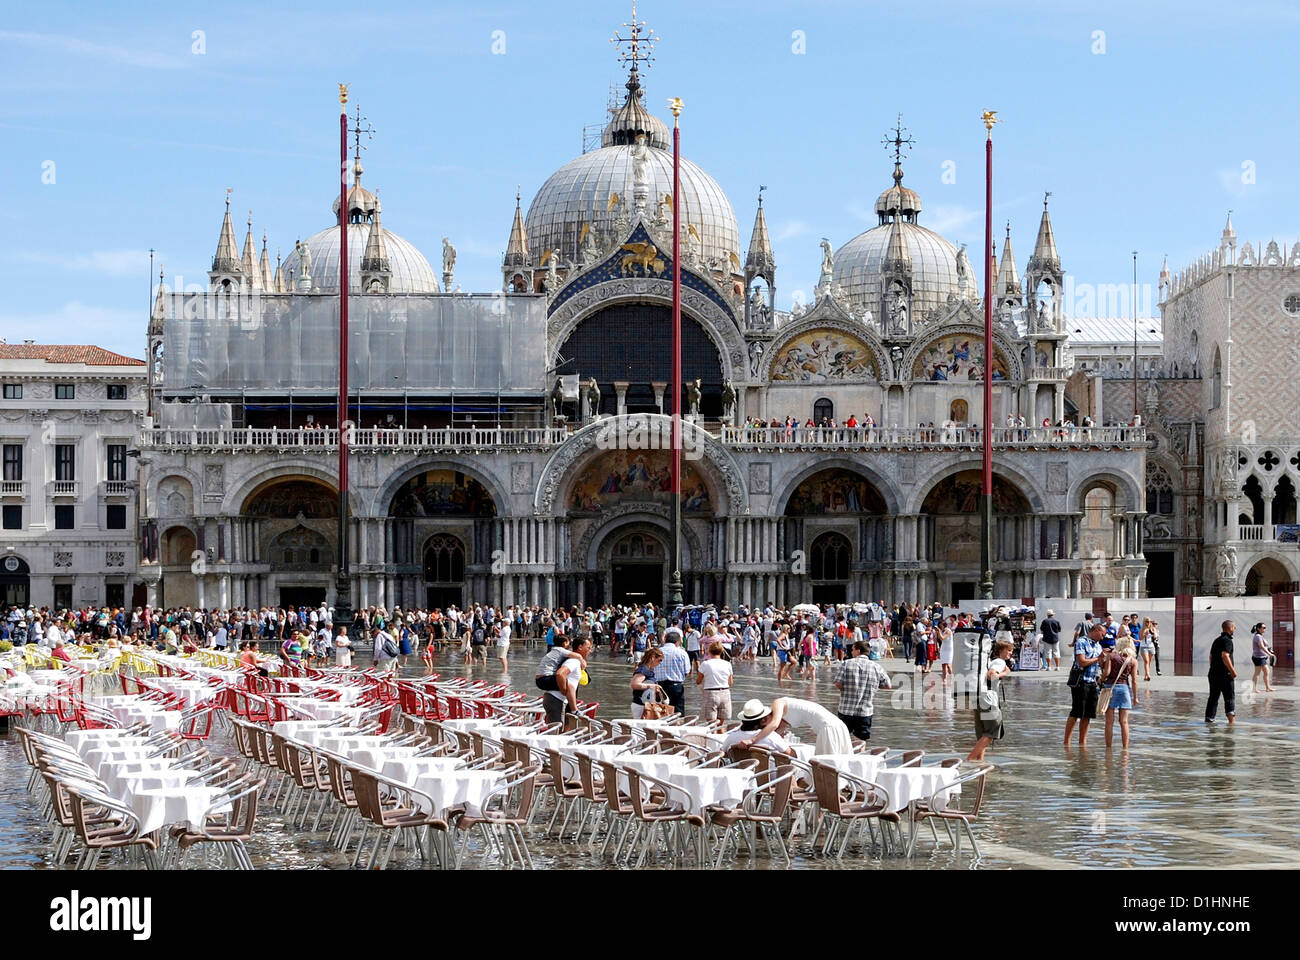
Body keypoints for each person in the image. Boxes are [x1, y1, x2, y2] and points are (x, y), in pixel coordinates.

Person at [737, 695, 852, 754]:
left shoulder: (777, 703)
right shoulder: (783, 718)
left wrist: (752, 740)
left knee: (827, 767)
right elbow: (776, 733)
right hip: (835, 725)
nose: (765, 726)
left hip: (828, 727)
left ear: (764, 718)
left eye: (763, 725)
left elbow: (774, 724)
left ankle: (832, 796)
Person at [833, 640, 893, 742]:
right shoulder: (877, 667)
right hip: (865, 711)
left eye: (852, 650)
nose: (851, 652)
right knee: (860, 740)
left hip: (846, 709)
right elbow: (888, 685)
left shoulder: (846, 664)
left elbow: (838, 683)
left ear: (858, 651)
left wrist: (845, 690)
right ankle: (858, 756)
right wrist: (873, 687)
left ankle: (844, 757)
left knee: (841, 740)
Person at [968, 638, 1013, 761]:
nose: (1010, 653)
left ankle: (979, 762)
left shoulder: (989, 661)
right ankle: (968, 761)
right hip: (988, 700)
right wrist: (1005, 673)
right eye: (1008, 650)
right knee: (991, 732)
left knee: (983, 734)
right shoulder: (1000, 662)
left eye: (1011, 651)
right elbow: (991, 675)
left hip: (978, 698)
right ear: (1000, 651)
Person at [1064, 622, 1106, 747]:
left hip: (1092, 682)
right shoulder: (1081, 642)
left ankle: (1083, 742)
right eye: (1102, 635)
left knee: (1088, 714)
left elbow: (1099, 664)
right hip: (1081, 681)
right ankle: (1067, 741)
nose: (1102, 638)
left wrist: (1104, 660)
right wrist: (1098, 659)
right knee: (1076, 712)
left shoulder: (1098, 645)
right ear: (1096, 630)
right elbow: (1081, 661)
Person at [1101, 634, 1139, 749]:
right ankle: (1125, 749)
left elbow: (1107, 673)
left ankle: (1108, 748)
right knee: (1124, 722)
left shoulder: (1111, 656)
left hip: (1110, 688)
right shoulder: (1133, 660)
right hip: (1124, 689)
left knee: (1109, 722)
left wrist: (1099, 680)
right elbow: (1134, 681)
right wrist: (1135, 697)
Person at [546, 635, 592, 726]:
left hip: (562, 700)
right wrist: (564, 691)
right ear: (580, 647)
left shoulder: (575, 660)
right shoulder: (573, 661)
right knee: (556, 733)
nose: (590, 651)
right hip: (557, 699)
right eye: (588, 648)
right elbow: (560, 674)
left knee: (563, 729)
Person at [720, 700, 795, 755]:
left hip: (741, 774)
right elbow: (791, 754)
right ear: (763, 720)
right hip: (769, 775)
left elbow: (722, 753)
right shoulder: (771, 736)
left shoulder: (732, 737)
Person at [1206, 620, 1238, 724]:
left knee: (1213, 698)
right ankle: (1231, 724)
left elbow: (1210, 656)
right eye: (1234, 627)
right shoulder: (1228, 640)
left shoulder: (1216, 640)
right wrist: (1232, 671)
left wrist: (1214, 668)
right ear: (1230, 628)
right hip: (1225, 675)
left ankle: (1209, 720)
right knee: (1229, 698)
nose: (1235, 629)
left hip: (1213, 674)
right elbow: (1225, 655)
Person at [654, 627, 691, 716]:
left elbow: (651, 669)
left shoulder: (656, 652)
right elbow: (687, 671)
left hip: (659, 687)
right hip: (676, 686)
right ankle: (676, 728)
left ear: (665, 640)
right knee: (678, 713)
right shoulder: (682, 653)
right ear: (677, 642)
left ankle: (662, 729)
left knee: (661, 713)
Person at [694, 640, 734, 722]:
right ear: (721, 651)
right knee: (720, 726)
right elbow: (730, 683)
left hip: (710, 693)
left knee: (712, 726)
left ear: (709, 651)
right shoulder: (727, 664)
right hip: (725, 692)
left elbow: (698, 681)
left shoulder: (705, 664)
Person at [630, 648, 665, 719]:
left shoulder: (648, 669)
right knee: (641, 727)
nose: (660, 663)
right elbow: (634, 684)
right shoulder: (643, 669)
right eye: (659, 660)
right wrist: (652, 686)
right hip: (640, 704)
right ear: (652, 657)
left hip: (646, 704)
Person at [1250, 622, 1275, 693]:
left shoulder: (1260, 636)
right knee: (1257, 673)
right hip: (1258, 657)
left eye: (1265, 627)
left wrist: (1269, 649)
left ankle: (1268, 688)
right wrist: (1269, 653)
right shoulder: (1258, 636)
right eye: (1263, 627)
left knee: (1266, 671)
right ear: (1258, 628)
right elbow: (1261, 646)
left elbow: (1264, 646)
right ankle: (1254, 689)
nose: (1265, 629)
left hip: (1262, 657)